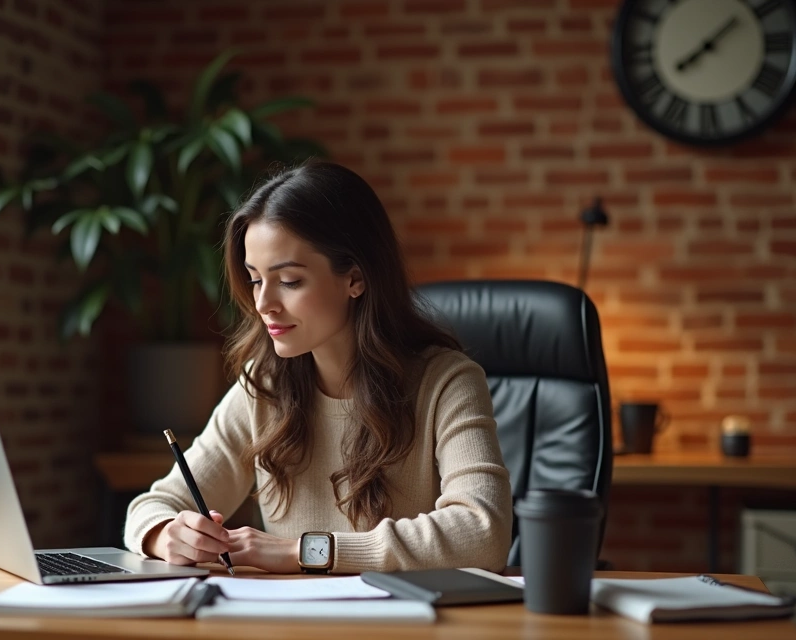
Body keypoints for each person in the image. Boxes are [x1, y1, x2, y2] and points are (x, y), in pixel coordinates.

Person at [123, 160, 512, 574]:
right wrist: (168, 534)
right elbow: (151, 507)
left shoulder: (447, 383)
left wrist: (299, 553)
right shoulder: (263, 385)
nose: (263, 303)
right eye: (255, 279)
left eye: (288, 280)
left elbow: (482, 533)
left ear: (355, 279)